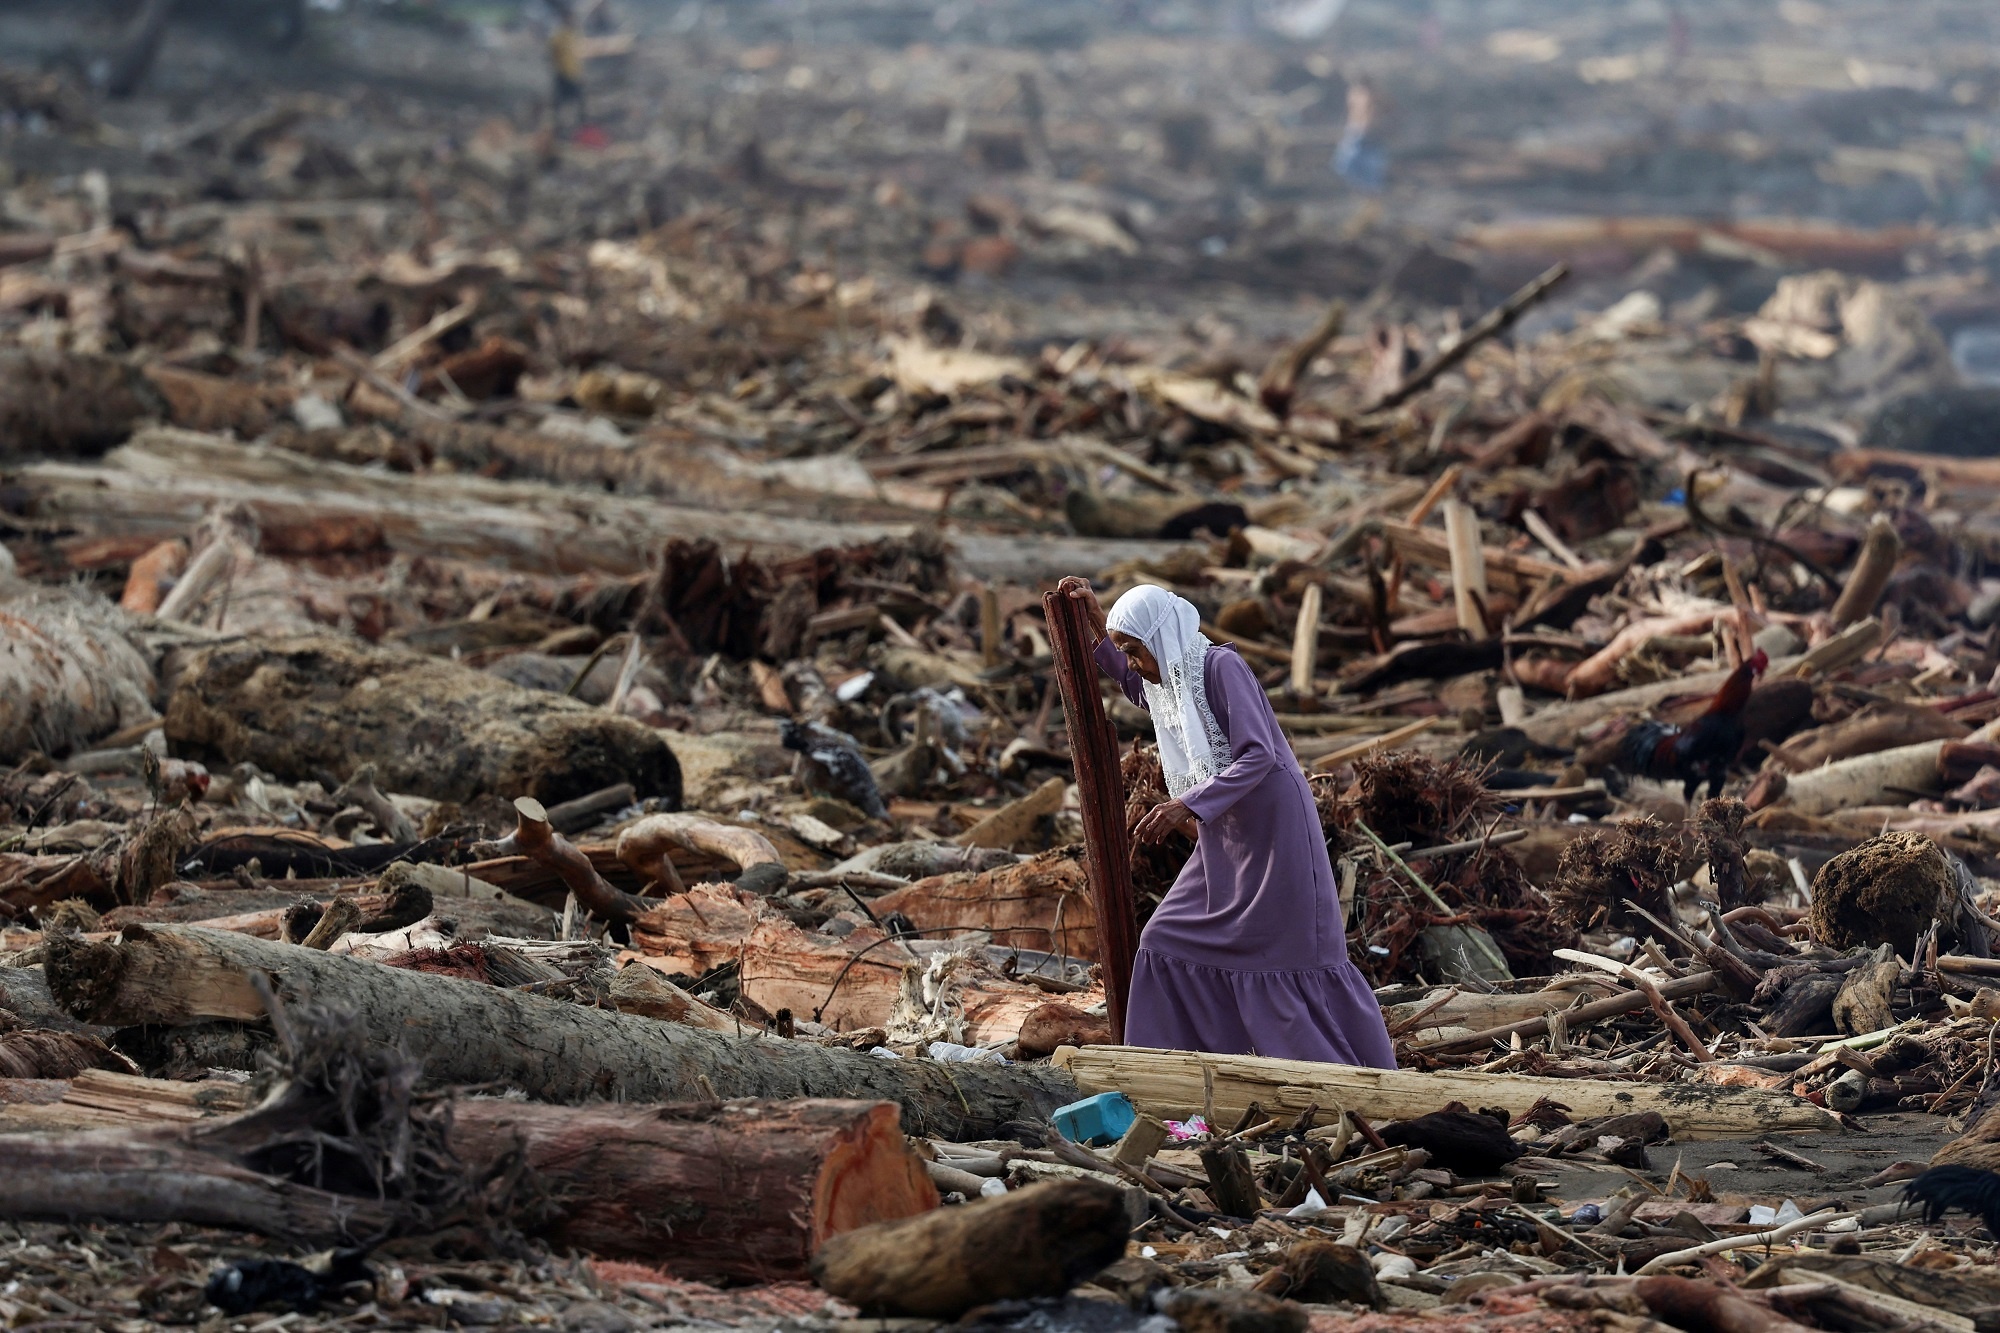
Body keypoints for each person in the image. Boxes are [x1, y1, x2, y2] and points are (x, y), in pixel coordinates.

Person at [1059, 578, 1396, 1069]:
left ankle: (1336, 1073)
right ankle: (1173, 1070)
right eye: (1125, 652)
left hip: (1274, 826)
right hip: (1225, 829)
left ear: (1161, 638)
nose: (1132, 664)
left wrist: (1184, 804)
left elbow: (1258, 754)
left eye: (1135, 650)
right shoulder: (1172, 681)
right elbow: (1141, 688)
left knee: (1284, 955)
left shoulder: (1220, 666)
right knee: (1164, 939)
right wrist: (1096, 620)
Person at [548, 4, 586, 133]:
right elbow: (553, 54)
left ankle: (580, 129)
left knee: (578, 103)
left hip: (574, 74)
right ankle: (559, 129)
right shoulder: (558, 36)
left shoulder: (574, 34)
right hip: (562, 74)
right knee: (560, 104)